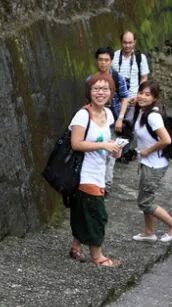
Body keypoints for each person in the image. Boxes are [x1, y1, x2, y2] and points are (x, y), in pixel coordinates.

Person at [68, 72, 123, 267]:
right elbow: (76, 144)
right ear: (89, 92)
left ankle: (76, 247)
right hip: (84, 173)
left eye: (105, 89)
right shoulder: (82, 115)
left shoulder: (108, 114)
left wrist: (113, 149)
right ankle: (97, 256)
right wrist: (103, 146)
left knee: (84, 212)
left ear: (111, 92)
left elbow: (104, 141)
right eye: (96, 89)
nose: (101, 92)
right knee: (97, 214)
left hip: (100, 170)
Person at [130, 80, 172, 243]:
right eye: (141, 93)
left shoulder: (153, 116)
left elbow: (166, 140)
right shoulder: (142, 110)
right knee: (146, 199)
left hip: (155, 165)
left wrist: (147, 151)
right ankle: (149, 232)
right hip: (147, 163)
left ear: (155, 98)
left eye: (147, 95)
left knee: (145, 202)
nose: (142, 97)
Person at [87, 47, 129, 191]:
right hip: (96, 122)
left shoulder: (117, 78)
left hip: (113, 122)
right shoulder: (91, 80)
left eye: (106, 60)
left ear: (111, 61)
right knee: (97, 152)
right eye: (100, 60)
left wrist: (120, 119)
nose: (103, 63)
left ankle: (106, 185)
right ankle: (97, 183)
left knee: (111, 154)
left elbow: (125, 99)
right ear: (96, 61)